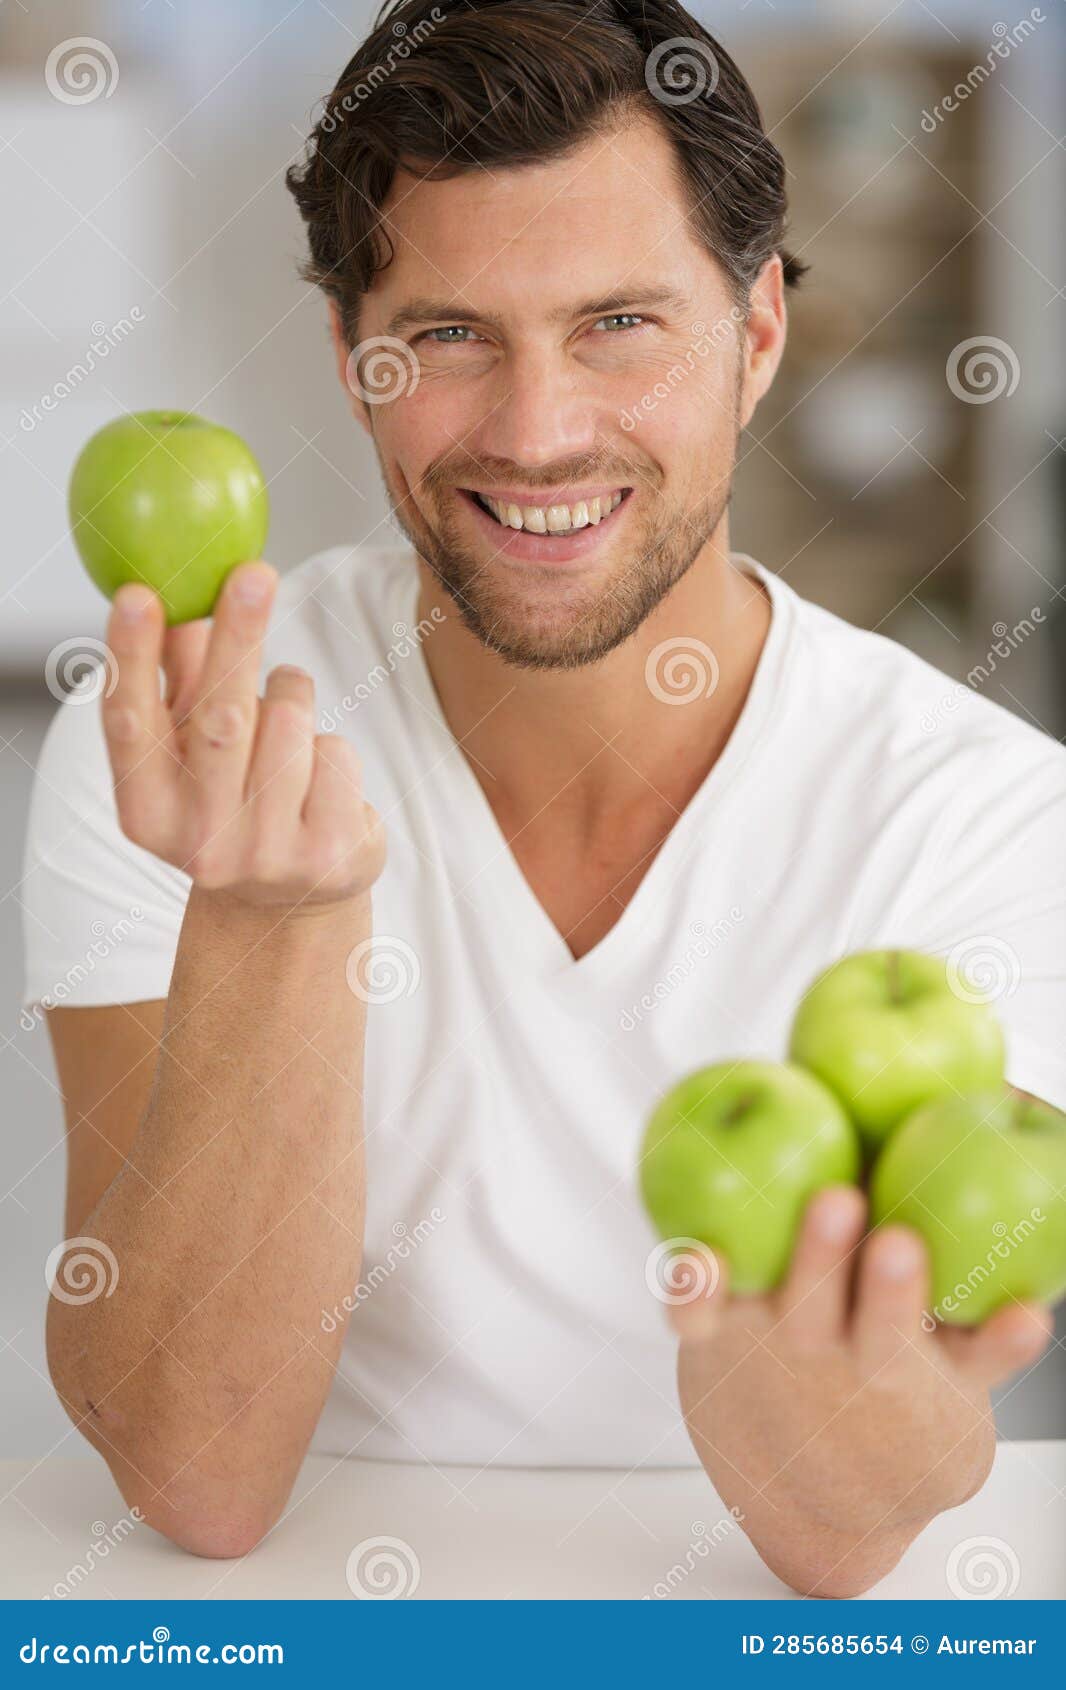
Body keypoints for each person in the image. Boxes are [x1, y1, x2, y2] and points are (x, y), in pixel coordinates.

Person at [24, 0, 1065, 1597]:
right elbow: (196, 1472)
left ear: (759, 333)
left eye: (617, 324)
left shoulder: (987, 819)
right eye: (447, 334)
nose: (535, 432)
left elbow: (845, 1527)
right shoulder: (184, 745)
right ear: (351, 356)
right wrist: (271, 918)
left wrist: (792, 1374)